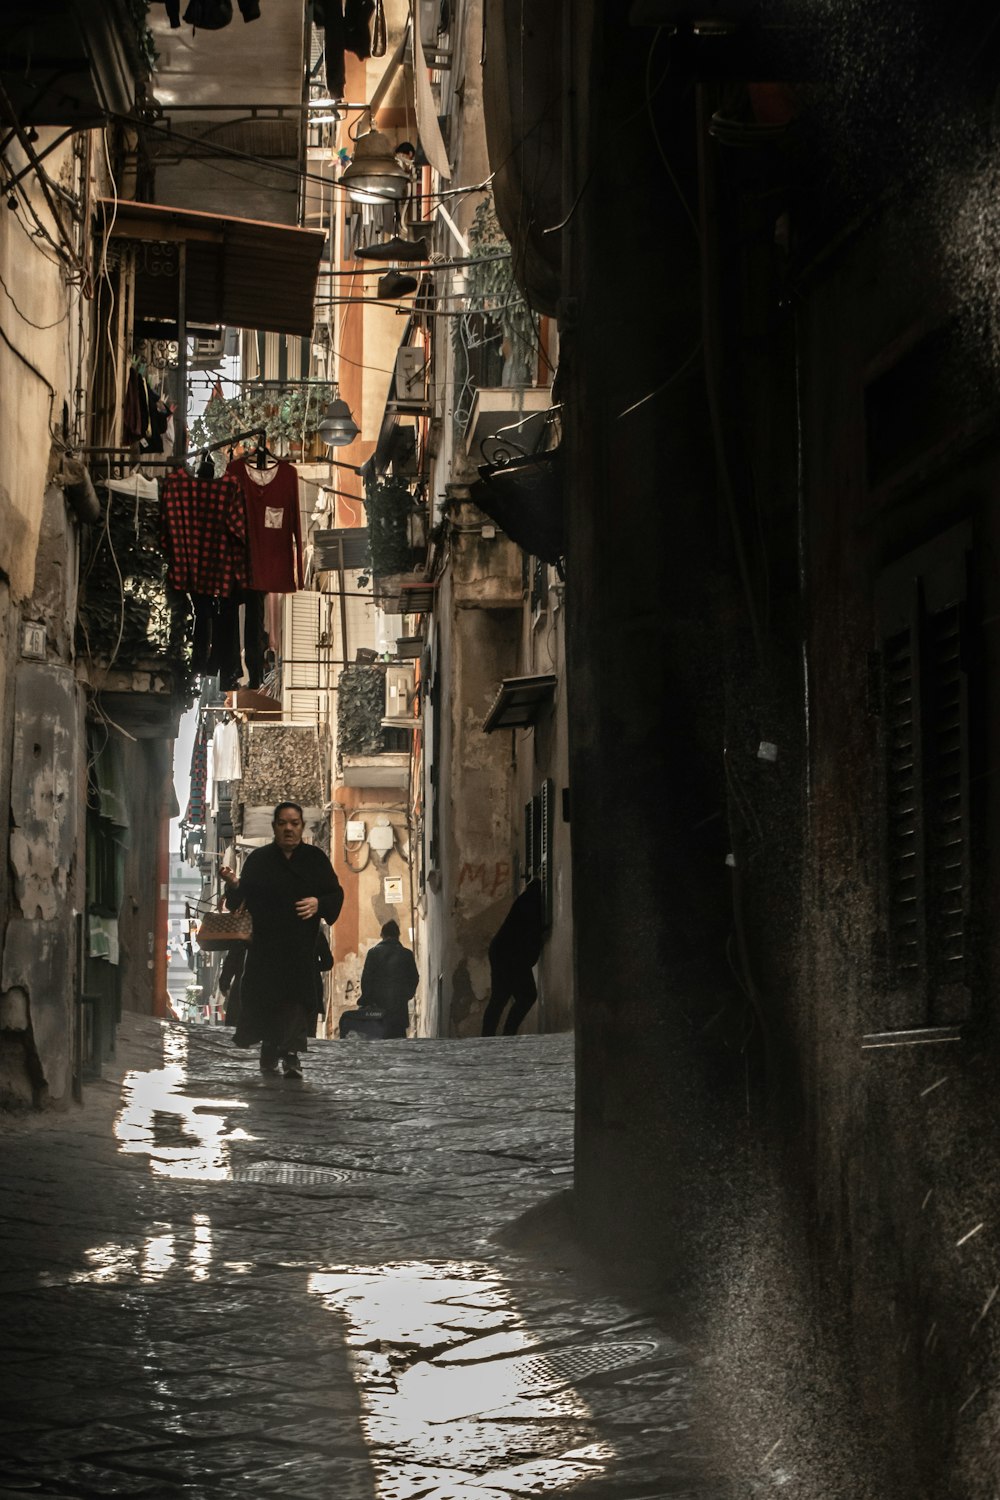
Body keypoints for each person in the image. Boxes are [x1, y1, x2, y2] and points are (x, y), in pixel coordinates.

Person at [220, 802, 343, 1078]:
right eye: (283, 823)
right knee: (267, 999)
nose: (289, 828)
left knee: (296, 1000)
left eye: (295, 823)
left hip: (300, 947)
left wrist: (318, 903)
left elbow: (335, 894)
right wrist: (234, 885)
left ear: (301, 826)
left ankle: (290, 1055)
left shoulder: (315, 859)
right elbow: (240, 901)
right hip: (265, 947)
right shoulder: (260, 860)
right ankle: (269, 1047)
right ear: (275, 826)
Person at [481, 879, 545, 1037]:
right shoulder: (531, 903)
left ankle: (490, 1034)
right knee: (526, 995)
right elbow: (530, 934)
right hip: (510, 954)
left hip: (505, 952)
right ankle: (507, 1031)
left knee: (501, 996)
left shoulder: (525, 900)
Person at [358, 919, 418, 1038]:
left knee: (378, 1044)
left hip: (377, 1010)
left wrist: (366, 1001)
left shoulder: (373, 953)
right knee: (398, 1043)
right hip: (399, 1010)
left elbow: (366, 979)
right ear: (398, 935)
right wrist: (406, 995)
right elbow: (414, 977)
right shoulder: (406, 954)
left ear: (382, 935)